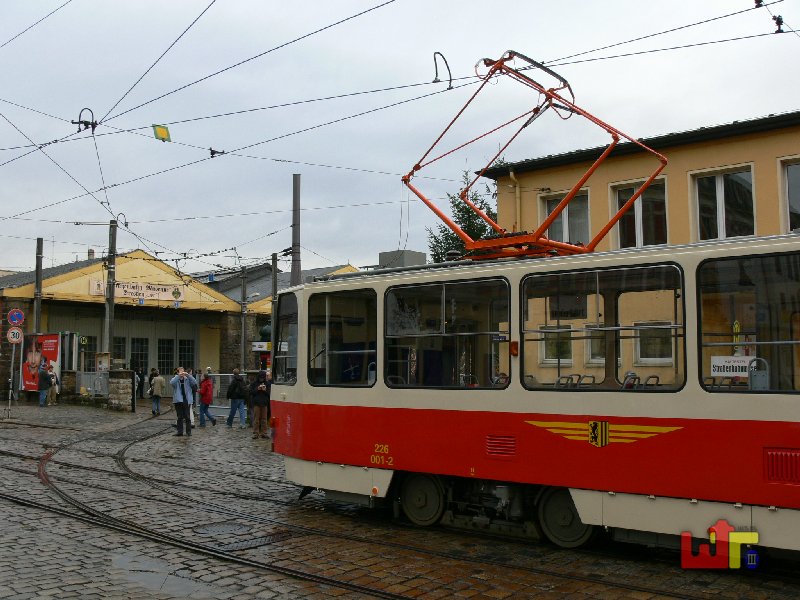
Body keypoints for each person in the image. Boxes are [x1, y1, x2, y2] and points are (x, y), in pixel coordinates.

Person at [170, 367, 196, 437]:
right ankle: (180, 432)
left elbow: (194, 382)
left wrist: (188, 375)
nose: (182, 373)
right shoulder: (176, 379)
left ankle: (188, 432)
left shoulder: (187, 379)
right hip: (178, 400)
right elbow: (171, 383)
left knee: (187, 417)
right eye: (180, 372)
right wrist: (178, 376)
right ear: (178, 372)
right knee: (179, 417)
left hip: (186, 400)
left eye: (183, 371)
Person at [249, 369, 271, 439]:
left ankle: (264, 433)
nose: (261, 379)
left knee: (264, 419)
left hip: (264, 403)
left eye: (263, 377)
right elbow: (251, 392)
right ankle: (256, 433)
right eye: (260, 377)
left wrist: (265, 390)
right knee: (256, 419)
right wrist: (257, 389)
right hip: (256, 403)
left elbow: (269, 394)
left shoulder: (267, 384)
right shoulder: (254, 383)